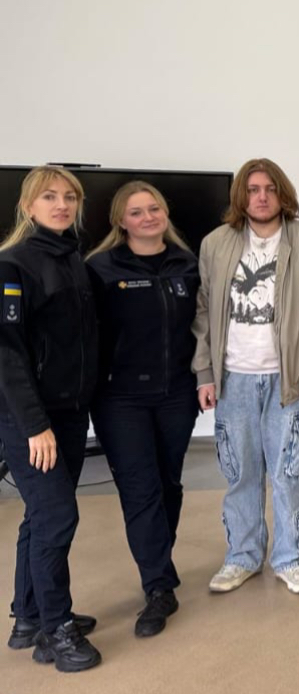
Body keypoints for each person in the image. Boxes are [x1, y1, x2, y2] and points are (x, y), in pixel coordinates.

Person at [193, 158, 299, 596]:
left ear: (283, 194)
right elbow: (203, 312)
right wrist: (205, 372)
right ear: (240, 197)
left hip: (291, 381)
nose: (261, 197)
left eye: (269, 189)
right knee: (241, 474)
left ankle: (291, 559)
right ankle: (242, 557)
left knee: (290, 474)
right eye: (252, 190)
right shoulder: (215, 244)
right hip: (234, 381)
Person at [85, 182, 201, 637]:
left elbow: (203, 328)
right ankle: (158, 586)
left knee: (168, 484)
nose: (148, 217)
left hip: (177, 395)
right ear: (121, 220)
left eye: (154, 209)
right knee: (141, 490)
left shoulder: (188, 265)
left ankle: (158, 568)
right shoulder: (100, 269)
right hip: (120, 399)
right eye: (136, 212)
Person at [0, 166, 101, 671]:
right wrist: (35, 426)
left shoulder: (72, 258)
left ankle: (29, 616)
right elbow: (8, 355)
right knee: (58, 516)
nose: (61, 205)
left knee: (40, 516)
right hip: (31, 421)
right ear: (28, 206)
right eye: (49, 197)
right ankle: (56, 631)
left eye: (69, 197)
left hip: (70, 412)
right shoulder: (12, 264)